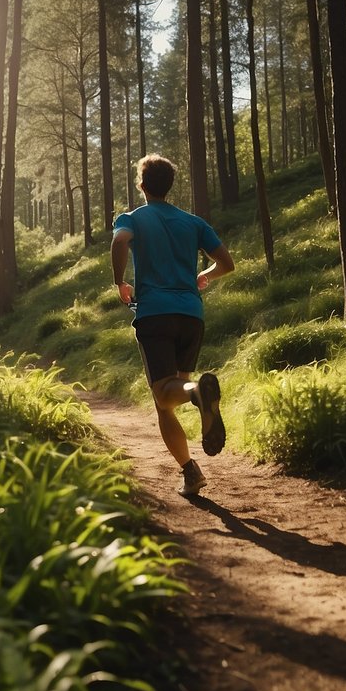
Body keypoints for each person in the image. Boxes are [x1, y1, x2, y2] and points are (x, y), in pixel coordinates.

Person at [111, 154, 235, 496]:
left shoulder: (132, 218)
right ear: (169, 185)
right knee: (171, 394)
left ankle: (197, 398)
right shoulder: (194, 223)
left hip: (155, 313)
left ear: (141, 184)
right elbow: (226, 263)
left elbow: (120, 241)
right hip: (191, 316)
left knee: (163, 398)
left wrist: (120, 282)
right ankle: (192, 469)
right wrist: (203, 276)